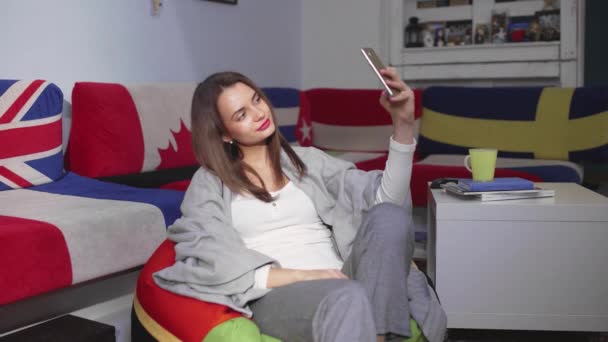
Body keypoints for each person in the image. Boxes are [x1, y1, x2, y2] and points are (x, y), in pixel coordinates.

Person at [153, 69, 447, 342]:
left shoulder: (307, 160)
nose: (259, 113)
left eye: (257, 99)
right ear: (225, 134)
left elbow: (388, 201)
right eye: (242, 114)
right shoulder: (209, 183)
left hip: (347, 277)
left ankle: (379, 334)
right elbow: (210, 253)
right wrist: (304, 275)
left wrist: (403, 125)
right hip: (281, 294)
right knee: (348, 295)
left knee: (389, 217)